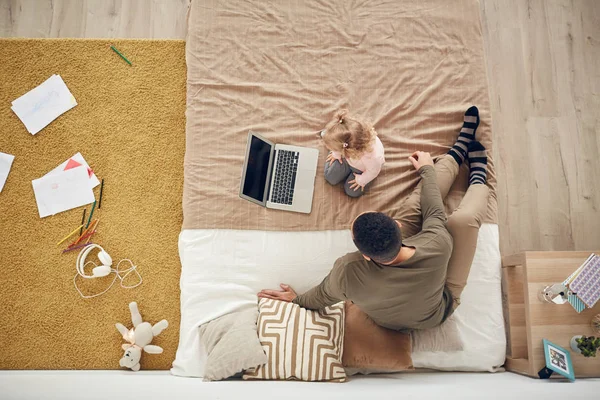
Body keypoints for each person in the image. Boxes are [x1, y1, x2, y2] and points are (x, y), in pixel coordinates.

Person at [258, 106, 489, 331]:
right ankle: (479, 176)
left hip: (422, 297)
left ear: (367, 255)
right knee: (462, 221)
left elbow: (322, 295)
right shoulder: (437, 244)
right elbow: (434, 210)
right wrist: (427, 170)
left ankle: (458, 153)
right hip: (434, 310)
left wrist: (297, 301)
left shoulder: (348, 270)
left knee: (428, 205)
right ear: (397, 229)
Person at [320, 109, 385, 197]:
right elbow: (339, 149)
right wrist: (336, 154)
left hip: (363, 170)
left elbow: (373, 172)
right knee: (330, 177)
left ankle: (334, 143)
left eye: (334, 148)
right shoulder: (348, 143)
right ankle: (332, 140)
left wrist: (361, 180)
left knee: (352, 191)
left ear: (346, 150)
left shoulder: (373, 158)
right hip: (348, 158)